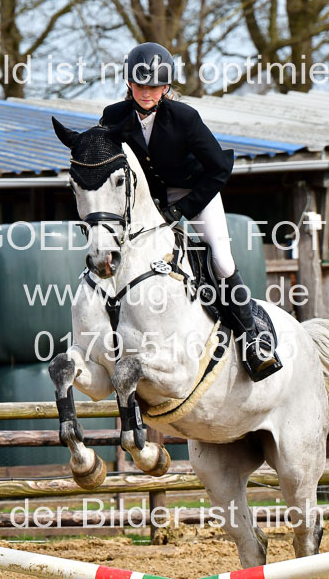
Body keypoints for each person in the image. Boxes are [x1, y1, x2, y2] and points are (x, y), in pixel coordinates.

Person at [99, 42, 281, 382]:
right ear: (129, 84)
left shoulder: (185, 118)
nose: (147, 93)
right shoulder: (113, 117)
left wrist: (182, 208)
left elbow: (218, 169)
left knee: (222, 260)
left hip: (195, 190)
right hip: (148, 198)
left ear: (166, 87)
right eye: (140, 85)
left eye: (154, 86)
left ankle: (253, 339)